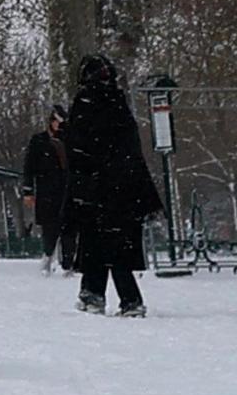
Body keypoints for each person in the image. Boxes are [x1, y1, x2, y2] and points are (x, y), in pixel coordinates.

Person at [60, 56, 165, 315]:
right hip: (124, 191)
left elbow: (79, 151)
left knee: (95, 242)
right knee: (117, 246)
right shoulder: (118, 105)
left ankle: (96, 295)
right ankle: (119, 298)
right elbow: (131, 150)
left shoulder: (85, 104)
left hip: (96, 190)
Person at [19, 109, 71, 273]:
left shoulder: (70, 140)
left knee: (69, 228)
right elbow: (29, 167)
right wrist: (28, 191)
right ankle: (48, 257)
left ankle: (68, 263)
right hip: (47, 192)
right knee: (50, 228)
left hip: (68, 191)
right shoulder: (39, 141)